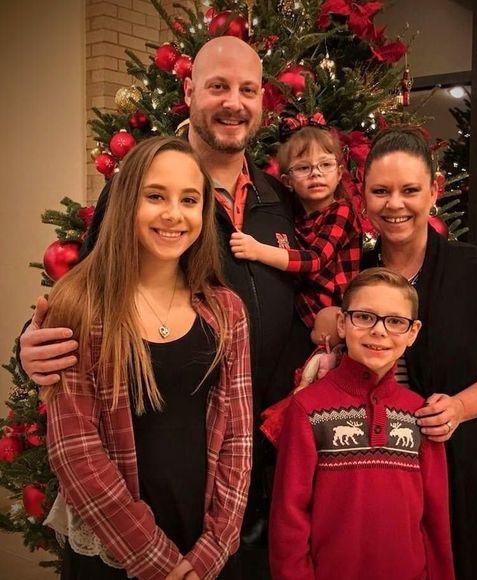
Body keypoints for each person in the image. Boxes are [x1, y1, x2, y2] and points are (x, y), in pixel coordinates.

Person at [19, 36, 308, 576]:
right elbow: (89, 285)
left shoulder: (280, 199)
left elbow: (313, 282)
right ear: (189, 91)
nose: (233, 103)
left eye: (248, 90)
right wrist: (31, 345)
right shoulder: (132, 187)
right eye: (218, 86)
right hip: (132, 510)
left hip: (248, 470)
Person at [43, 136, 252, 580]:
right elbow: (75, 450)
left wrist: (213, 548)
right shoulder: (81, 304)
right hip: (116, 543)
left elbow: (238, 437)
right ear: (126, 202)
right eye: (155, 196)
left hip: (200, 539)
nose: (174, 214)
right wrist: (155, 559)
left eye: (189, 200)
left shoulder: (225, 310)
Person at [360, 128, 477, 580]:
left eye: (410, 190)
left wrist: (459, 407)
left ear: (435, 190)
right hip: (367, 474)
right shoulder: (352, 273)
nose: (395, 204)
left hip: (458, 474)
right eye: (381, 191)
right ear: (363, 196)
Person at [269, 268, 454, 580]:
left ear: (413, 332)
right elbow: (289, 514)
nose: (379, 331)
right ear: (342, 324)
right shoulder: (307, 408)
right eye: (365, 317)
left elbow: (436, 517)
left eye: (396, 321)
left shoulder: (421, 414)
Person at [230, 120, 361, 331]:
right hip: (303, 317)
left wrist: (257, 250)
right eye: (303, 168)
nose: (316, 173)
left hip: (335, 319)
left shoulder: (342, 211)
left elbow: (315, 260)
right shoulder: (292, 215)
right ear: (287, 181)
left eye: (325, 164)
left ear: (339, 173)